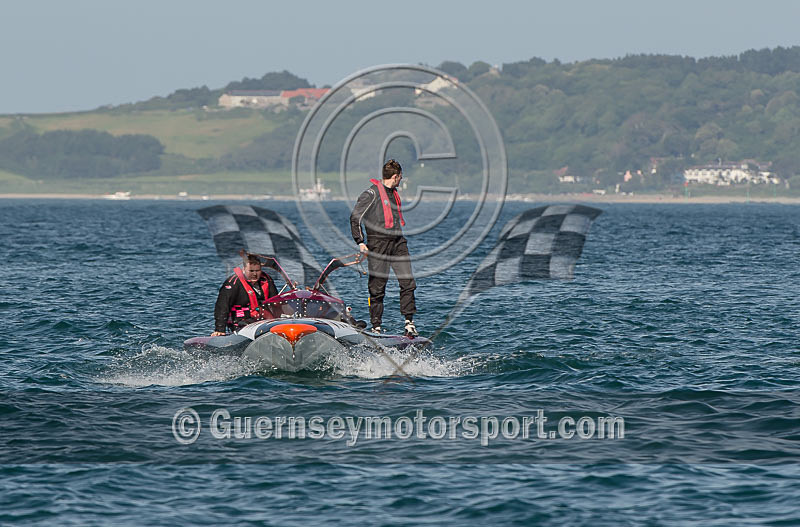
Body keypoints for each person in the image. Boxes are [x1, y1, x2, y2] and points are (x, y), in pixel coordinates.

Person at [349, 159, 418, 336]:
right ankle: (376, 327)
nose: (400, 181)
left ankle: (409, 323)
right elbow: (355, 218)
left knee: (408, 282)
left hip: (398, 243)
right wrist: (360, 242)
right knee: (377, 288)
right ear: (395, 177)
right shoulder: (370, 194)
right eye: (400, 178)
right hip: (377, 244)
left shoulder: (394, 193)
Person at [211, 254, 278, 336]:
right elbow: (222, 306)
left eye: (257, 271)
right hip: (240, 322)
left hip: (263, 320)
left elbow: (276, 302)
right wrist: (220, 329)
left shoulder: (267, 279)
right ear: (244, 269)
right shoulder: (233, 283)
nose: (254, 274)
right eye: (251, 271)